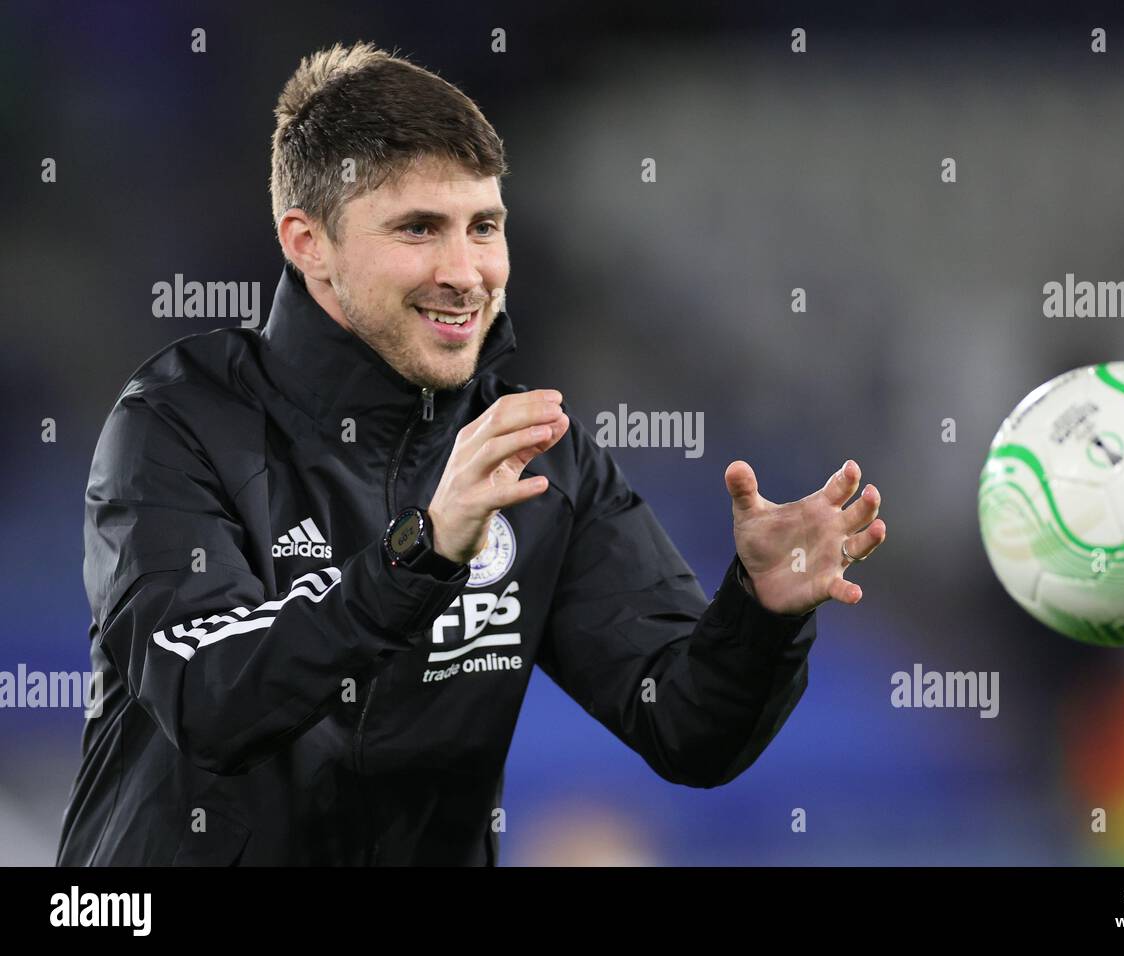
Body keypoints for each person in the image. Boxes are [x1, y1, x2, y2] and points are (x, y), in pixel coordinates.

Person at [56, 41, 886, 866]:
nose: (466, 272)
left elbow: (685, 729)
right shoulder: (176, 423)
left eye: (483, 227)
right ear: (308, 242)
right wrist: (417, 552)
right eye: (419, 228)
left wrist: (759, 618)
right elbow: (214, 701)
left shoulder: (539, 463)